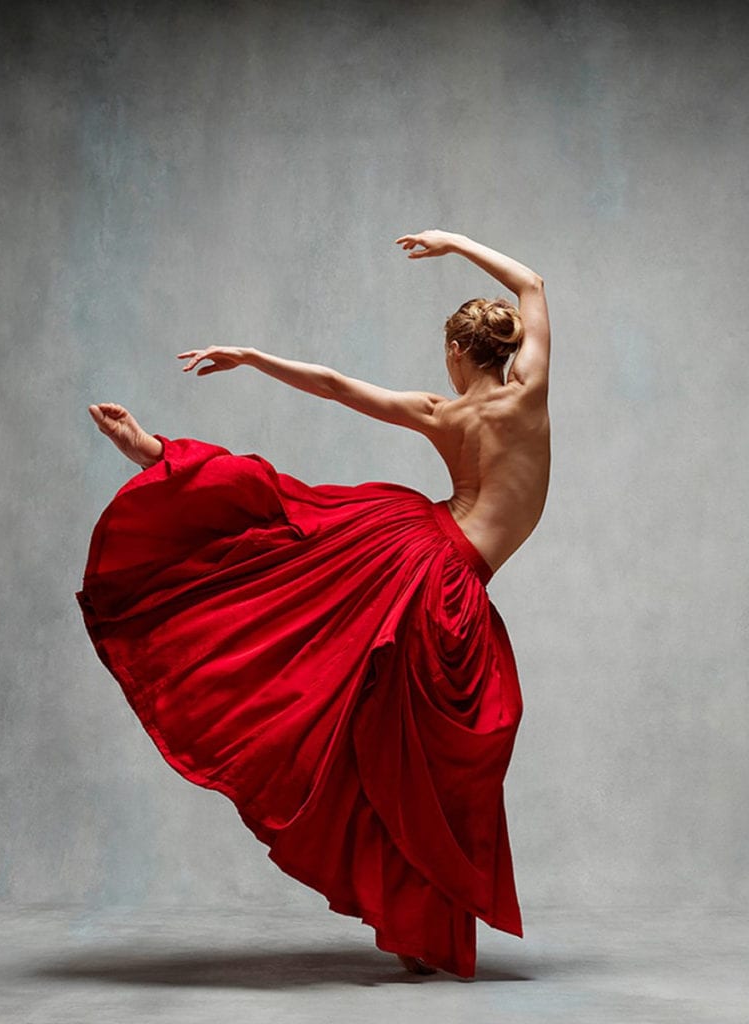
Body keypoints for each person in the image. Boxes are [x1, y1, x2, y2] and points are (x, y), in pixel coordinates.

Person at [75, 229, 550, 979]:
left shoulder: (442, 411)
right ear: (508, 350)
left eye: (447, 352)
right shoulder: (528, 397)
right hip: (440, 571)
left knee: (286, 524)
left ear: (460, 355)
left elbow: (333, 384)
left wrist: (252, 357)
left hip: (426, 561)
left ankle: (159, 458)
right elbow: (532, 283)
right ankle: (418, 921)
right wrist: (453, 243)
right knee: (409, 751)